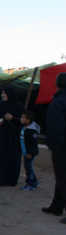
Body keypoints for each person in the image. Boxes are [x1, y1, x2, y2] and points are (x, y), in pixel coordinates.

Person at [42, 73, 66, 223]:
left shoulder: (57, 103)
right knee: (61, 177)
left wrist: (55, 146)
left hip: (62, 147)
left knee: (63, 178)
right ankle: (57, 206)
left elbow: (56, 127)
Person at [0, 86, 25, 186]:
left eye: (5, 93)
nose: (3, 95)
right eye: (2, 93)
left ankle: (10, 179)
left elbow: (23, 120)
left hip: (12, 137)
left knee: (11, 158)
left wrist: (13, 118)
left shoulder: (18, 105)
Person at [19, 110, 41, 191]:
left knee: (28, 167)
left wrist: (30, 153)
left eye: (22, 117)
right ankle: (34, 181)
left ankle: (29, 184)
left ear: (28, 120)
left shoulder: (32, 131)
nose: (21, 119)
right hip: (25, 152)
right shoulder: (24, 128)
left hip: (29, 153)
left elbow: (33, 143)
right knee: (28, 167)